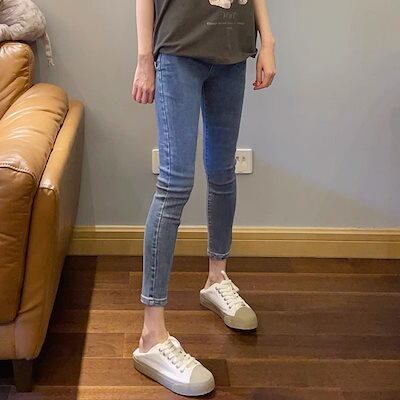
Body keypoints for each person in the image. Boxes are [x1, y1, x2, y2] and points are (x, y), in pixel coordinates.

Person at [131, 0, 276, 396]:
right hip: (179, 49)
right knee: (174, 185)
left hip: (232, 51)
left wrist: (268, 41)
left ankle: (217, 279)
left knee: (223, 171)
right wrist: (144, 57)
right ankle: (151, 336)